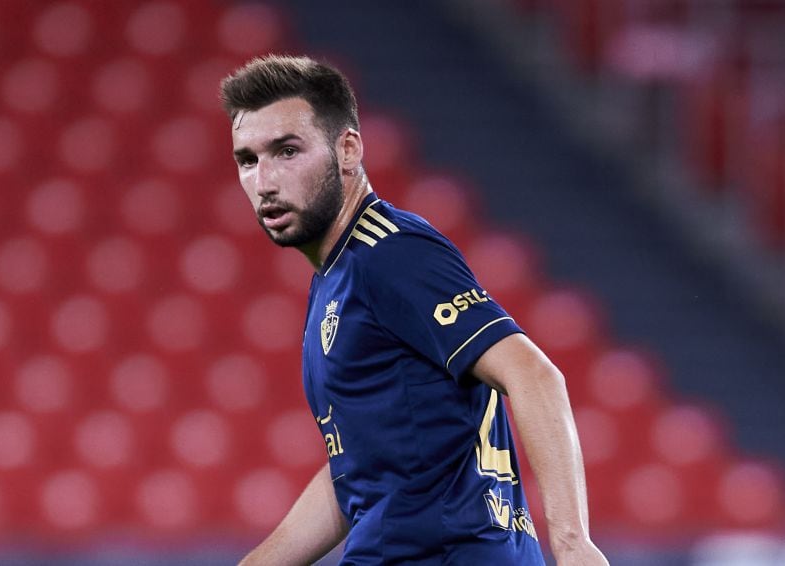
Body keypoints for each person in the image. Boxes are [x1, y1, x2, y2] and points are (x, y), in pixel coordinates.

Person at [220, 54, 609, 565]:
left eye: (287, 151)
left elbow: (534, 375)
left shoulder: (392, 252)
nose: (265, 180)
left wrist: (573, 544)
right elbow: (358, 471)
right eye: (248, 160)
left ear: (348, 149)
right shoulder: (339, 277)